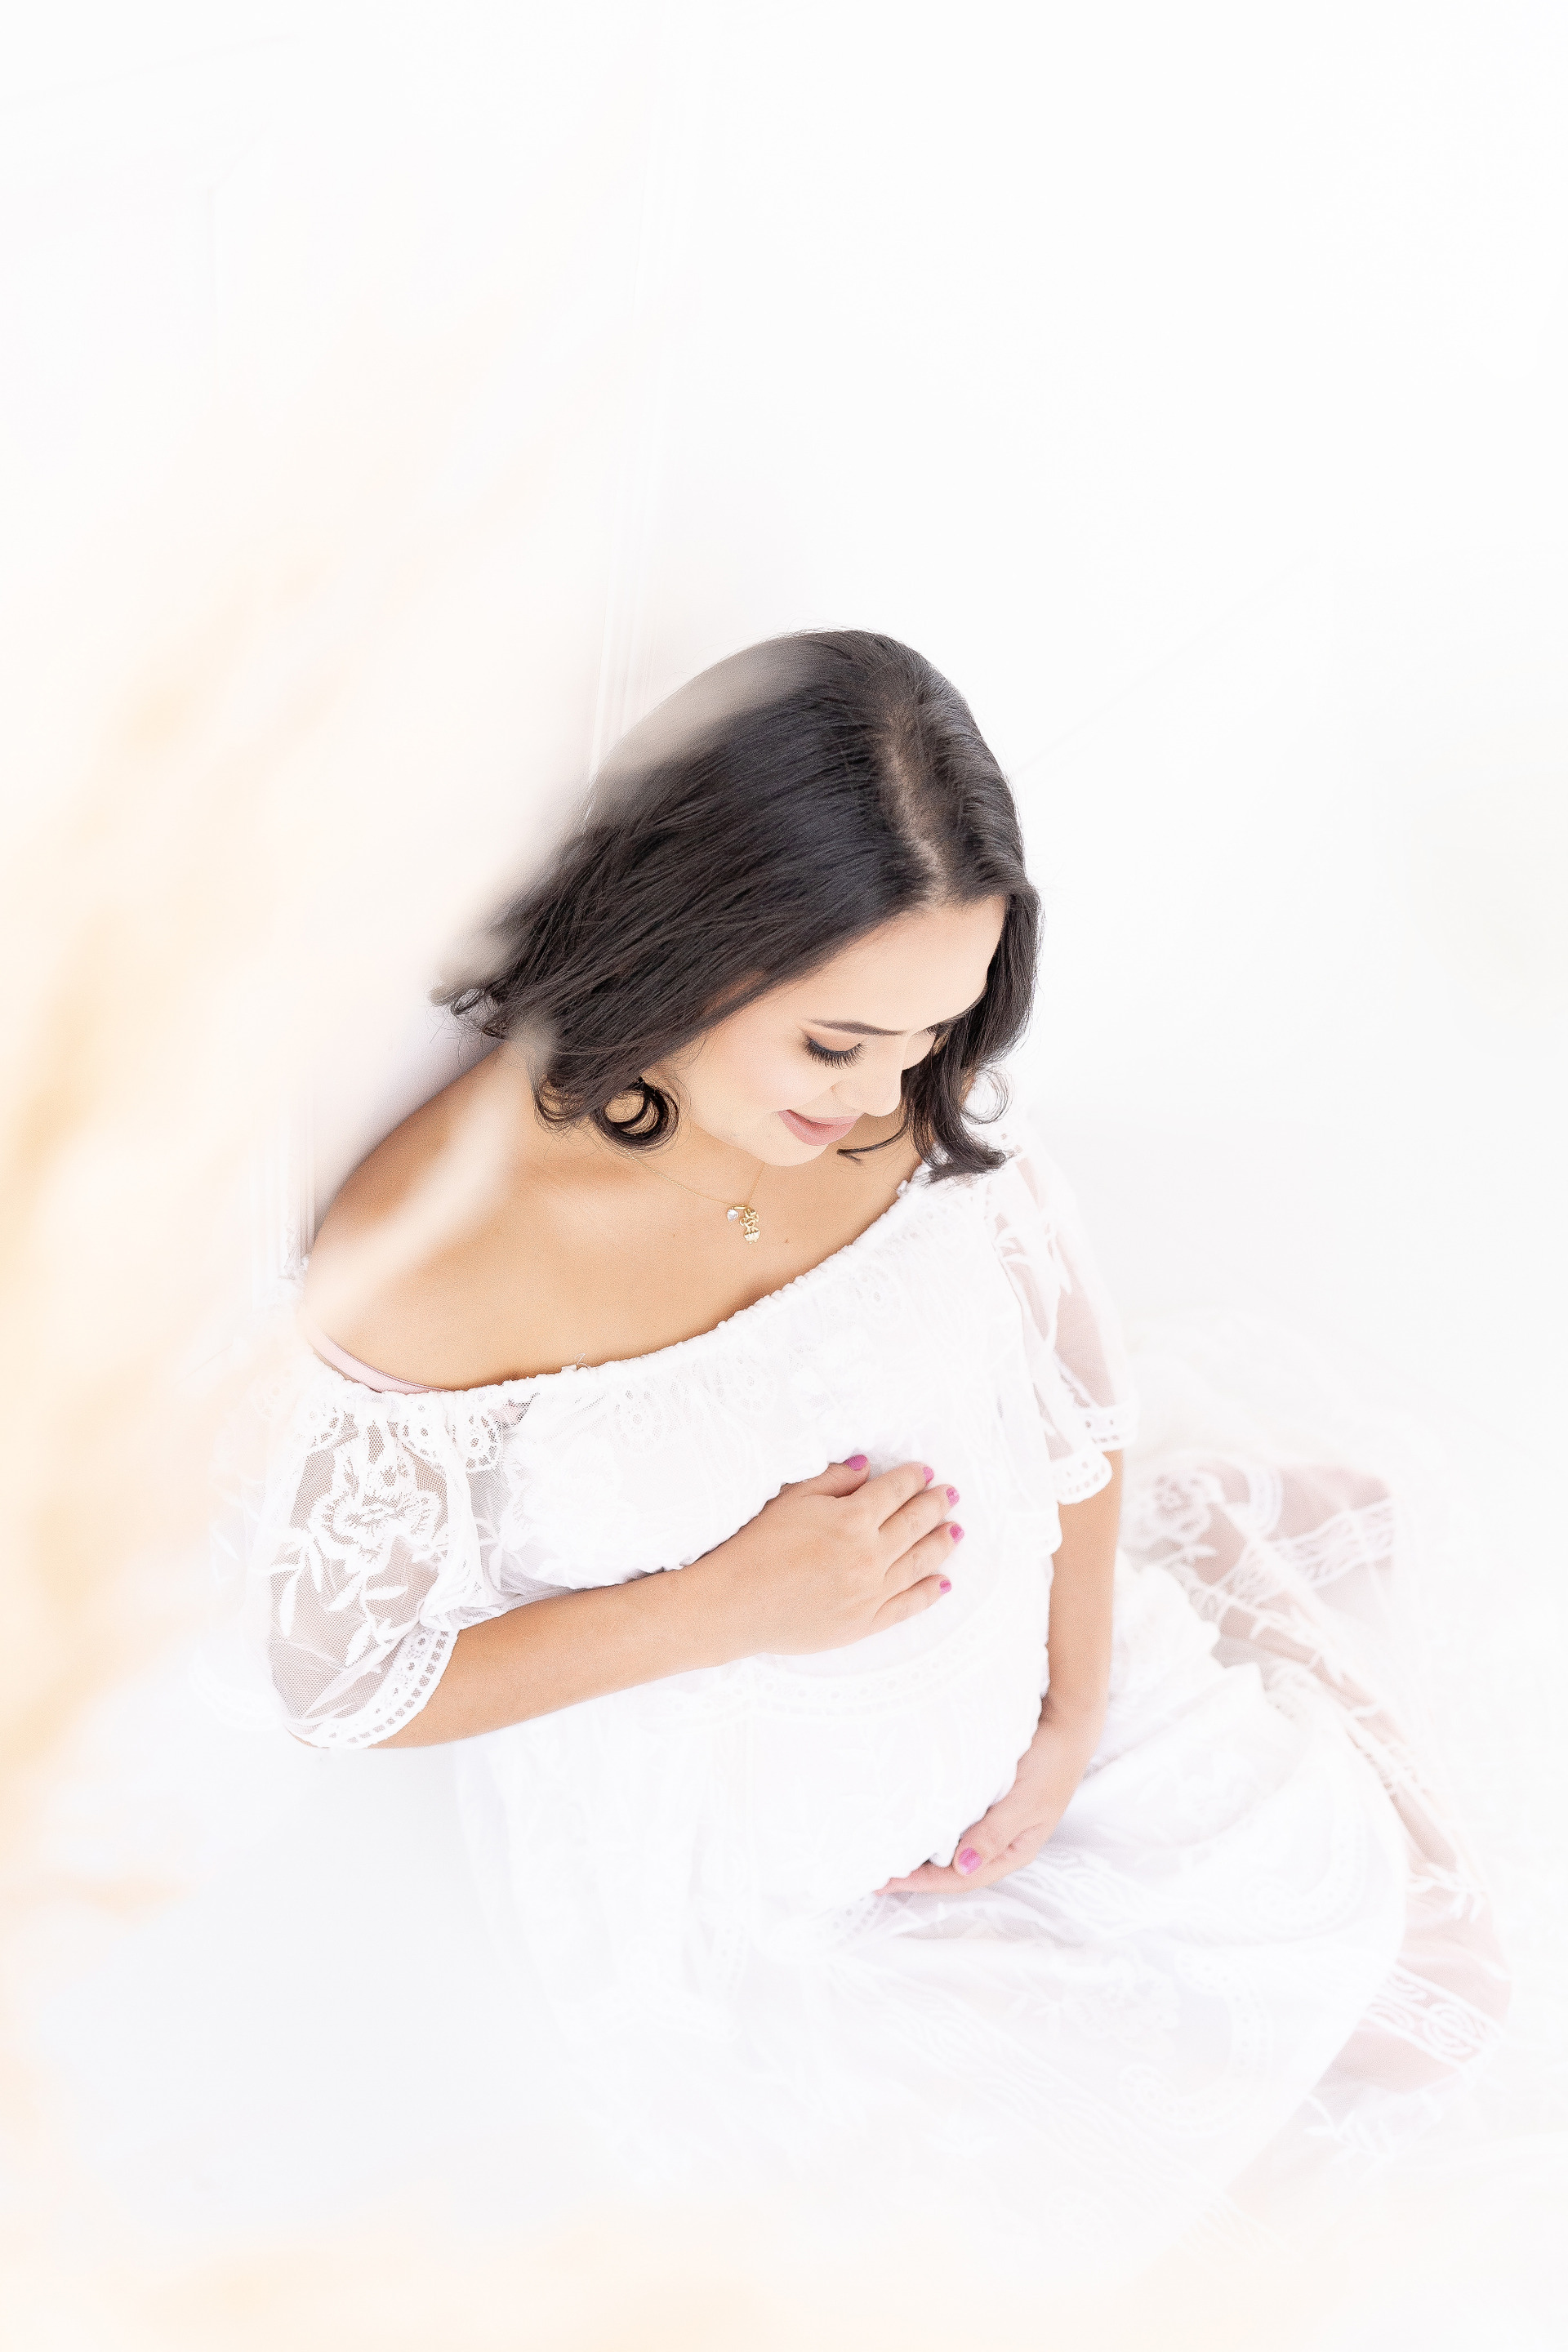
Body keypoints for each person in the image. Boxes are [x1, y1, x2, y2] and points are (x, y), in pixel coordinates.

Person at [252, 630, 1506, 2274]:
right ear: (692, 941)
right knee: (1059, 2221)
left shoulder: (906, 1083)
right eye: (835, 1045)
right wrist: (735, 1603)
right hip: (764, 1874)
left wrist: (1066, 1714)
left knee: (1396, 1978)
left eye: (928, 1039)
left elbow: (1073, 1400)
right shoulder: (441, 1243)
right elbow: (346, 1685)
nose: (881, 1100)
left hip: (1049, 1671)